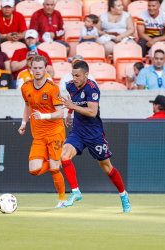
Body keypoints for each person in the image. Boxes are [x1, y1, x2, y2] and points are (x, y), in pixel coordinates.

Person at [60, 60, 131, 212]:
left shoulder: (92, 88)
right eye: (73, 75)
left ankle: (123, 195)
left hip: (94, 134)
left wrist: (72, 107)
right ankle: (75, 192)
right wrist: (70, 113)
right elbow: (73, 98)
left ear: (86, 75)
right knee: (64, 156)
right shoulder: (70, 85)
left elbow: (92, 112)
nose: (74, 78)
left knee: (107, 168)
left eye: (77, 75)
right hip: (78, 132)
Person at [18, 55, 67, 209]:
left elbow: (61, 113)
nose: (38, 71)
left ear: (46, 69)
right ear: (30, 69)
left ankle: (62, 199)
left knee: (53, 169)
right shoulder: (25, 87)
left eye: (41, 68)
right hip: (38, 134)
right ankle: (55, 162)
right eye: (35, 68)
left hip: (55, 132)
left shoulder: (53, 88)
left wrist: (44, 115)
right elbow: (28, 106)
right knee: (34, 170)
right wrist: (23, 123)